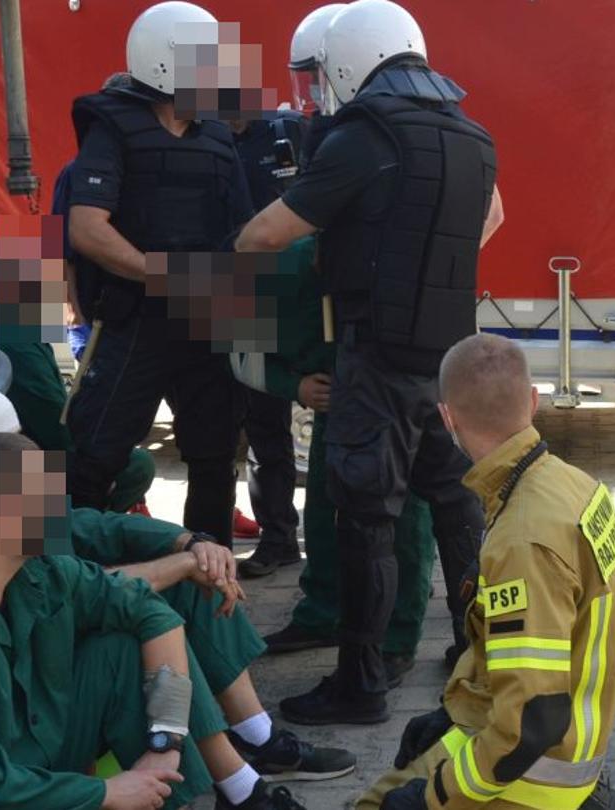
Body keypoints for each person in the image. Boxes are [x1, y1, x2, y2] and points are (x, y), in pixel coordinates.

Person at [236, 0, 504, 725]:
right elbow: (492, 219)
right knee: (456, 510)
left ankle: (360, 686)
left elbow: (271, 232)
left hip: (377, 360)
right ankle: (476, 656)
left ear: (351, 58)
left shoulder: (363, 134)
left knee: (366, 522)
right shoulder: (472, 134)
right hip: (448, 361)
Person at [0, 381, 358, 788]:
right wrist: (103, 794)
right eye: (12, 439)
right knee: (143, 621)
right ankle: (236, 779)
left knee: (181, 582)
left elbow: (86, 529)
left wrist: (189, 542)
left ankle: (251, 746)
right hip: (25, 713)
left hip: (41, 690)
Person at [0, 432, 306, 809]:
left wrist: (165, 743)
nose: (58, 506)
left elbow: (151, 613)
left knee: (122, 650)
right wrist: (108, 793)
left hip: (24, 758)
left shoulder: (36, 569)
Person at [356, 334, 615, 810]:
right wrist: (451, 713)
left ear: (447, 418)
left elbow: (534, 720)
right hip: (547, 742)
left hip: (536, 777)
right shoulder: (574, 484)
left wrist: (434, 796)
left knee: (374, 806)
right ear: (533, 400)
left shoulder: (522, 541)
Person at [63, 2, 252, 546]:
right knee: (94, 460)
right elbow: (86, 229)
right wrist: (163, 275)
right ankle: (76, 584)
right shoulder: (113, 125)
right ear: (167, 62)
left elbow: (242, 233)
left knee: (215, 461)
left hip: (206, 327)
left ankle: (210, 590)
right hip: (133, 325)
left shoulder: (219, 137)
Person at [0, 208, 157, 515]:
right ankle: (86, 532)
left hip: (25, 451)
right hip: (28, 461)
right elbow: (55, 428)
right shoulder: (17, 338)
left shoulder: (16, 328)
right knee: (135, 465)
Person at [228, 99, 316, 578]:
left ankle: (305, 538)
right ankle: (276, 537)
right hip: (233, 296)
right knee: (253, 423)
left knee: (309, 421)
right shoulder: (204, 139)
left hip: (295, 292)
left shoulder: (287, 131)